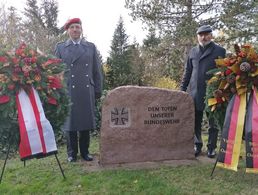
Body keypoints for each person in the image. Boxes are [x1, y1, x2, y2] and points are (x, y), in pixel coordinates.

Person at [55, 18, 102, 162]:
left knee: (85, 122)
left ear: (81, 29)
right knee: (71, 123)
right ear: (68, 30)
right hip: (68, 89)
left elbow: (96, 70)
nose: (75, 30)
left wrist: (98, 89)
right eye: (72, 27)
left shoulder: (90, 47)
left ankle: (85, 152)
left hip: (86, 89)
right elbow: (55, 71)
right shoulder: (60, 47)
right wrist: (57, 90)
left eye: (78, 27)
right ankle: (71, 153)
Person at [180, 25, 226, 158]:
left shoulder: (220, 50)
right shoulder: (193, 51)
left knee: (213, 122)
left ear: (211, 35)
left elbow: (224, 72)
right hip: (195, 92)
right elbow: (188, 72)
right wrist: (182, 89)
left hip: (213, 92)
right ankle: (197, 145)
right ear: (197, 36)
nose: (203, 37)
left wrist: (222, 89)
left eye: (206, 34)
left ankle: (211, 147)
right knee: (196, 121)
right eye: (201, 34)